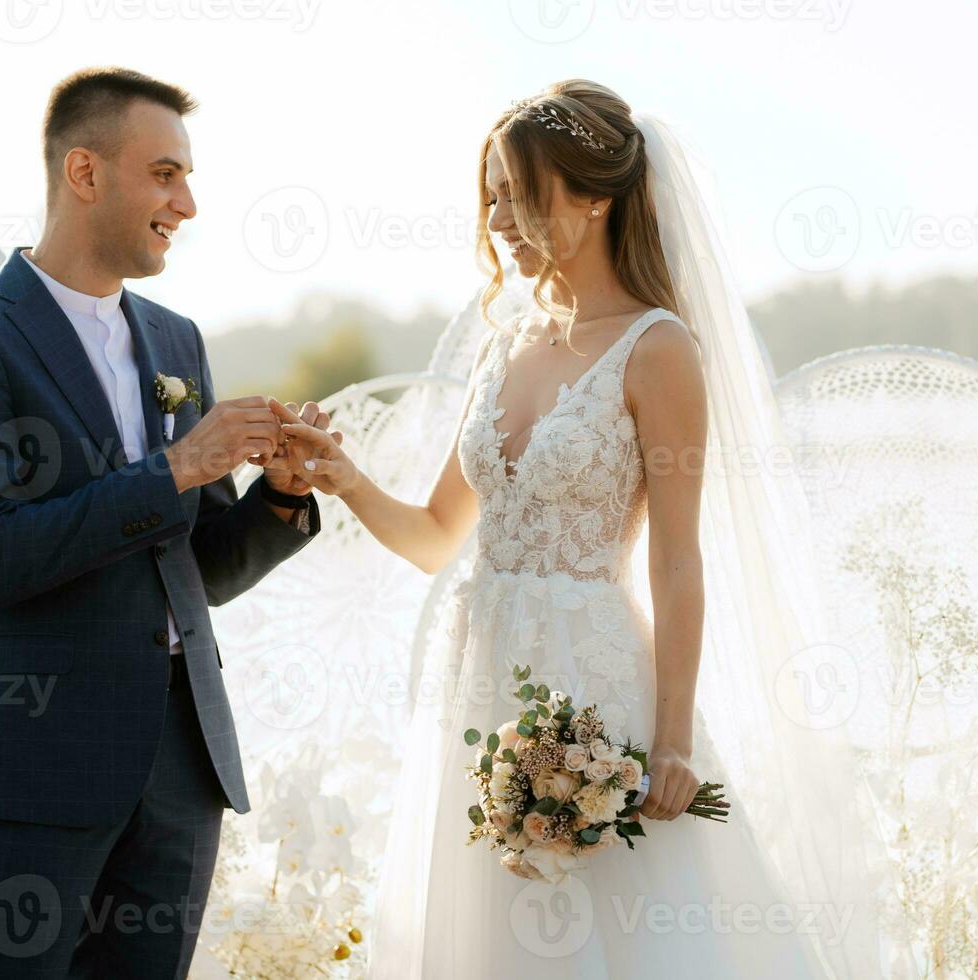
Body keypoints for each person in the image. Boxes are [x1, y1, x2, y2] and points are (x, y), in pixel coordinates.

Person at [280, 80, 901, 978]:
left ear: (597, 195)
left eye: (518, 195)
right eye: (489, 196)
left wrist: (674, 741)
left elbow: (679, 562)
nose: (498, 218)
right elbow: (432, 536)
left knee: (620, 928)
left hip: (594, 685)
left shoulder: (658, 349)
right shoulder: (506, 346)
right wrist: (344, 478)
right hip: (478, 688)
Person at [0, 66, 329, 978]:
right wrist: (178, 465)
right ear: (85, 173)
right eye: (166, 174)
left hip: (182, 768)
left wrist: (281, 496)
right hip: (35, 764)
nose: (189, 202)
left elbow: (197, 570)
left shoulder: (177, 342)